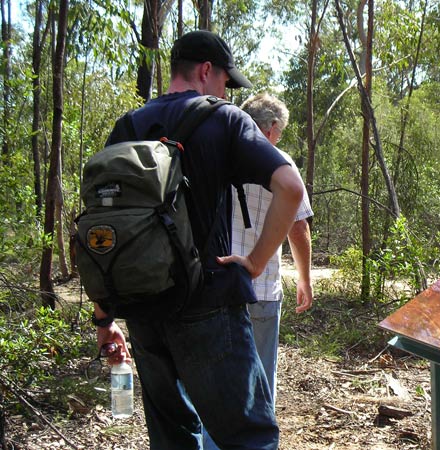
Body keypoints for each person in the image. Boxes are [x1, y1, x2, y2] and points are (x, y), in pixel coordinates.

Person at [91, 30, 304, 450]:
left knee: (173, 438)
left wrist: (104, 320)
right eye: (226, 81)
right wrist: (257, 261)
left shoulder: (127, 127)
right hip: (208, 308)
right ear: (207, 71)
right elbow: (290, 186)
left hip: (143, 311)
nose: (227, 91)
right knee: (250, 438)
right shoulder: (224, 119)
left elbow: (103, 229)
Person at [232, 92, 314, 405]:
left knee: (219, 381)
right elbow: (298, 227)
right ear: (271, 128)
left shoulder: (220, 160)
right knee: (261, 378)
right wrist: (304, 279)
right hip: (262, 288)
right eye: (280, 132)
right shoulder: (282, 165)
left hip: (221, 285)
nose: (279, 138)